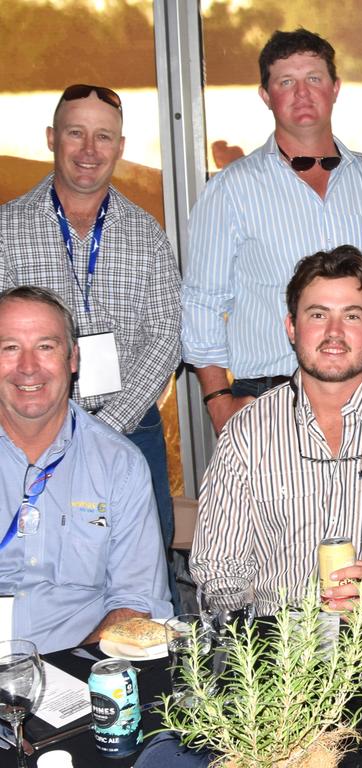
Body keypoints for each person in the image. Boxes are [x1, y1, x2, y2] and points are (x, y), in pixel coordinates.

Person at [190, 246, 362, 618]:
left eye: (352, 316)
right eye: (318, 314)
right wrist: (248, 637)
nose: (334, 332)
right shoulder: (246, 434)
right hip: (281, 647)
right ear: (291, 327)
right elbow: (218, 567)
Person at [0, 83, 181, 607]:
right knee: (32, 569)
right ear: (52, 138)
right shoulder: (7, 227)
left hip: (129, 427)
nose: (88, 149)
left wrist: (102, 428)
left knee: (144, 581)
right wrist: (56, 424)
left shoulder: (146, 233)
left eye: (103, 137)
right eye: (76, 133)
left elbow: (165, 333)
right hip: (26, 433)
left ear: (120, 147)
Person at [182, 28, 362, 434]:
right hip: (269, 399)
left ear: (335, 88)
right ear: (266, 95)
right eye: (286, 81)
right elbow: (201, 302)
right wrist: (219, 403)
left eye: (314, 79)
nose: (302, 94)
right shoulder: (230, 190)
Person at [0, 286, 171, 653]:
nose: (27, 367)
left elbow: (138, 603)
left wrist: (69, 673)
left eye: (45, 347)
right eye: (9, 348)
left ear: (73, 358)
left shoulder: (118, 465)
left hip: (78, 672)